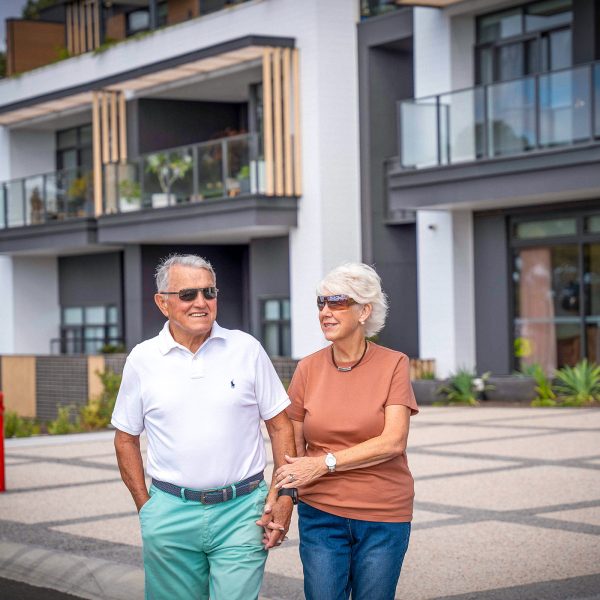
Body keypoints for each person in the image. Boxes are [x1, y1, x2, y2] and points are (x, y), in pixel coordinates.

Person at [111, 254, 296, 600]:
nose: (201, 302)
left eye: (209, 292)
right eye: (188, 294)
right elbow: (125, 438)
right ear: (162, 303)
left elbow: (281, 427)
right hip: (170, 514)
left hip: (243, 513)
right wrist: (146, 507)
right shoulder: (142, 359)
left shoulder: (247, 349)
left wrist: (284, 496)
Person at [275, 262, 418, 600]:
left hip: (383, 515)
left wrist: (323, 463)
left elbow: (393, 441)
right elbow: (291, 448)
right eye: (321, 303)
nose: (325, 311)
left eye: (337, 302)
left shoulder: (393, 363)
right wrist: (283, 499)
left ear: (364, 310)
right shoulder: (307, 368)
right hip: (321, 513)